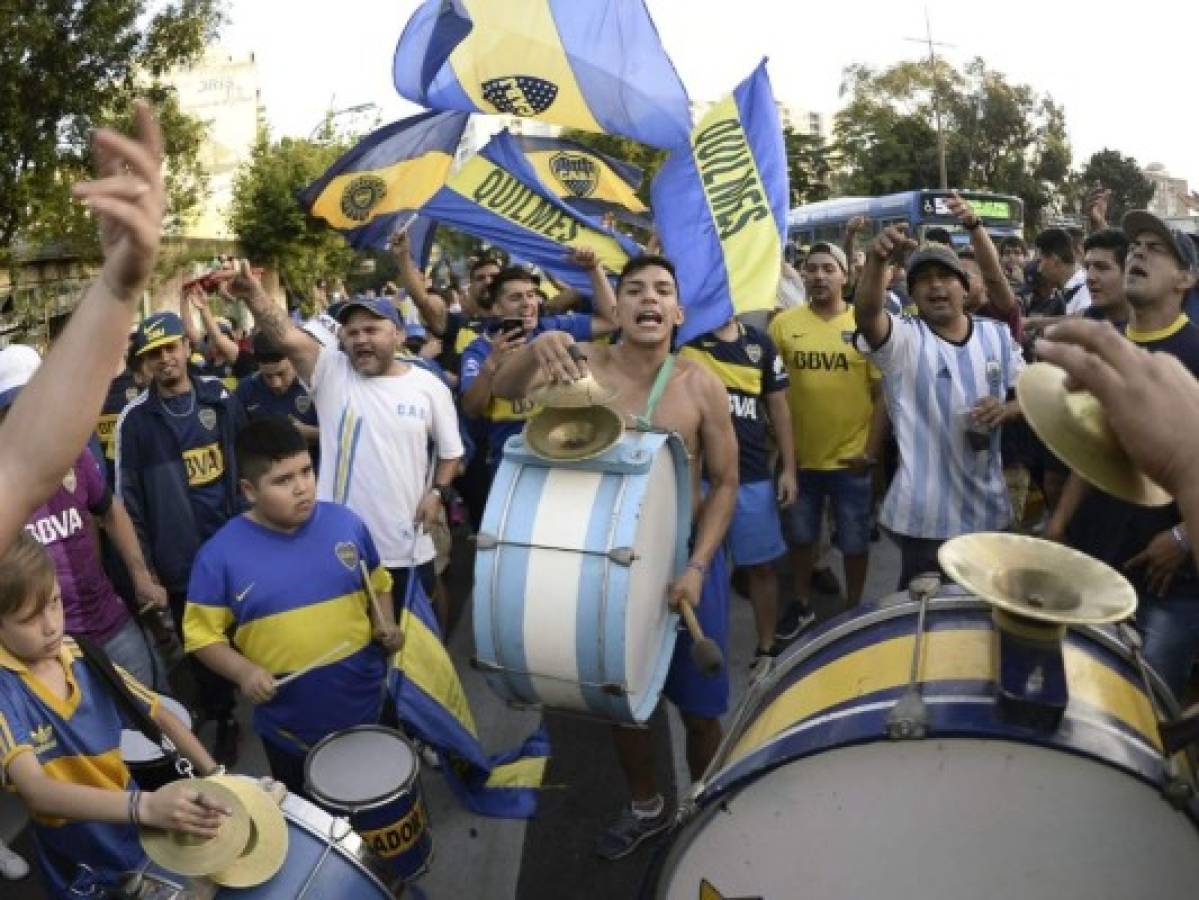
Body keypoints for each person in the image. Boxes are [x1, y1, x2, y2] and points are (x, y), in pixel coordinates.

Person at [492, 254, 738, 861]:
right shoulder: (580, 365)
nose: (647, 298)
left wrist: (698, 567)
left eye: (662, 290)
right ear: (617, 308)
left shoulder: (700, 384)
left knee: (702, 712)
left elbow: (727, 483)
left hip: (686, 568)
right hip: (606, 567)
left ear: (678, 312)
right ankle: (648, 807)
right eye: (634, 290)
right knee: (624, 706)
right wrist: (537, 344)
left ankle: (706, 808)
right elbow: (500, 390)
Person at [228, 264, 465, 615]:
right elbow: (287, 336)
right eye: (352, 333)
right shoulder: (331, 372)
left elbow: (450, 453)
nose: (361, 340)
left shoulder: (429, 387)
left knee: (419, 634)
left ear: (398, 334)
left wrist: (436, 494)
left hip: (406, 541)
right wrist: (253, 294)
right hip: (338, 544)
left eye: (372, 330)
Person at [0, 531, 227, 897]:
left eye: (55, 602)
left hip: (133, 833)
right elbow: (37, 791)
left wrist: (217, 776)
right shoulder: (6, 692)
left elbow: (158, 713)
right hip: (78, 858)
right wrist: (147, 805)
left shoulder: (84, 655)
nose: (51, 625)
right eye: (29, 618)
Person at [184, 418, 401, 795]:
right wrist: (244, 672)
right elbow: (201, 637)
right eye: (283, 481)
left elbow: (379, 584)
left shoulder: (347, 524)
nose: (302, 487)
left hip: (368, 703)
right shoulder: (217, 556)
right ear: (250, 490)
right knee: (316, 822)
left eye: (306, 471)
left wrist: (389, 624)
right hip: (291, 729)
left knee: (384, 801)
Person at [1045, 211, 1199, 697]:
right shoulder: (1105, 347)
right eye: (1135, 246)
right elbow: (1093, 450)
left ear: (1187, 277)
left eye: (1158, 249)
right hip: (1098, 556)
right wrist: (1058, 524)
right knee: (1088, 693)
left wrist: (1183, 536)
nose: (1139, 253)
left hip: (1170, 580)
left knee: (1150, 705)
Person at [854, 226, 1026, 587]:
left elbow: (1029, 394)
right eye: (924, 280)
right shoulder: (903, 338)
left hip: (989, 513)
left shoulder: (995, 334)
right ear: (911, 293)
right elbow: (868, 317)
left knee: (983, 615)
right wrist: (876, 261)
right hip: (925, 522)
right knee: (928, 624)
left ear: (965, 287)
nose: (935, 286)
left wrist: (1006, 410)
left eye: (945, 277)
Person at [115, 310, 248, 761]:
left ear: (187, 347)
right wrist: (144, 567)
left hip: (234, 545)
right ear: (145, 363)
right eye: (154, 354)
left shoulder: (220, 399)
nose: (165, 359)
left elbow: (249, 467)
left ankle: (261, 688)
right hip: (181, 560)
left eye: (171, 347)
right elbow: (127, 503)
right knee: (200, 641)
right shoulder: (135, 421)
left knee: (249, 625)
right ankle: (223, 714)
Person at [770, 242, 885, 636]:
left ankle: (854, 610)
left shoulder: (865, 326)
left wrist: (871, 452)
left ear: (844, 275)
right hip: (799, 460)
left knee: (854, 541)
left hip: (851, 462)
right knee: (802, 539)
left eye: (827, 268)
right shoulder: (783, 325)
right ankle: (801, 603)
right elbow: (773, 392)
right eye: (810, 268)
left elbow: (882, 394)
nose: (818, 276)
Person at [681, 317, 796, 676]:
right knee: (698, 566)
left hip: (751, 477)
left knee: (761, 568)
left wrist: (789, 469)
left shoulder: (760, 344)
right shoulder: (686, 339)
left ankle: (766, 645)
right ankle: (695, 642)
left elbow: (779, 408)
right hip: (697, 480)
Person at [460, 256, 617, 472]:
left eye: (531, 295)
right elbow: (471, 409)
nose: (527, 304)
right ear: (496, 307)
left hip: (564, 454)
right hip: (511, 463)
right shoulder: (479, 350)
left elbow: (611, 321)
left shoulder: (554, 328)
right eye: (516, 298)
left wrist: (594, 269)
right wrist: (491, 366)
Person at [235, 330, 320, 466]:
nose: (276, 383)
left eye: (282, 373)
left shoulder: (317, 384)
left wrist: (310, 434)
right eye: (267, 376)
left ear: (293, 359)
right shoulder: (246, 390)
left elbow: (342, 437)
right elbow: (237, 440)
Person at [1034, 227, 1091, 315]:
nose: (1039, 269)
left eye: (1040, 261)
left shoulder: (1087, 290)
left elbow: (1088, 321)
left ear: (1054, 260)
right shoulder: (1062, 292)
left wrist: (1031, 323)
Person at [1080, 228, 1131, 326]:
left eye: (1101, 268)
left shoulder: (1150, 329)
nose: (1090, 278)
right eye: (1087, 268)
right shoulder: (1091, 317)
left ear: (1129, 271)